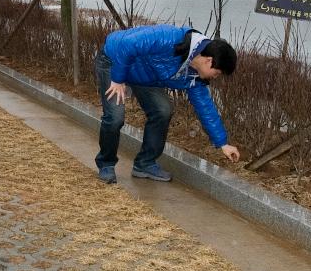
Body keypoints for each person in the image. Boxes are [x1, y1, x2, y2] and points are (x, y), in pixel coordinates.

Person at [94, 24, 240, 184]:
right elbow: (128, 44)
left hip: (143, 74)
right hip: (115, 61)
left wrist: (223, 144)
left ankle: (145, 164)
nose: (215, 77)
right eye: (217, 73)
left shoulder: (195, 77)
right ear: (209, 61)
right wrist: (118, 79)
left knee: (163, 110)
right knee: (115, 116)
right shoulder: (171, 38)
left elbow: (205, 108)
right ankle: (106, 164)